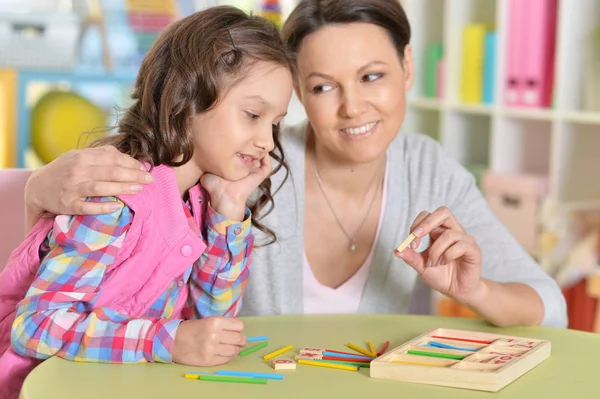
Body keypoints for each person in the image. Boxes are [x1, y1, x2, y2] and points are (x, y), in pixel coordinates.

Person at [22, 0, 567, 331]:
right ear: (297, 95)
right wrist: (39, 188)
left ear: (406, 66)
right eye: (323, 86)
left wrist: (474, 292)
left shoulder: (429, 168)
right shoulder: (251, 159)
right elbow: (134, 270)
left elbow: (550, 307)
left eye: (373, 76)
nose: (352, 107)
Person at [0, 6, 293, 396]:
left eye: (274, 123)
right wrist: (165, 341)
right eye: (253, 114)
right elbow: (34, 327)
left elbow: (210, 329)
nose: (268, 142)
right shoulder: (119, 196)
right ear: (187, 99)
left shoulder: (199, 199)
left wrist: (229, 207)